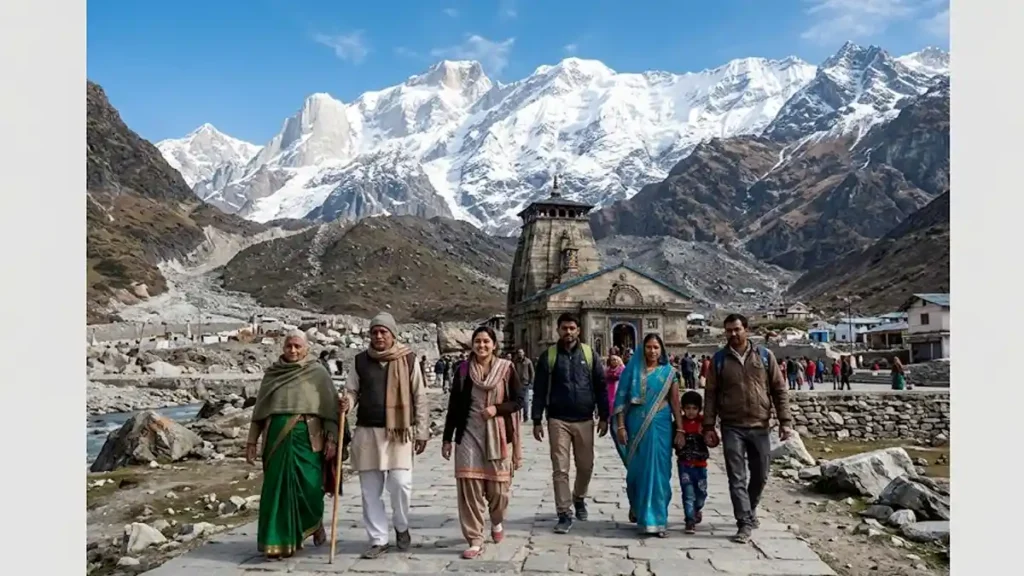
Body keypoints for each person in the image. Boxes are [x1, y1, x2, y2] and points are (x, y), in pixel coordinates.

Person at [338, 312, 429, 559]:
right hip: (367, 432)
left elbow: (419, 396)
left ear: (392, 334)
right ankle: (378, 539)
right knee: (370, 491)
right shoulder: (360, 361)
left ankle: (401, 526)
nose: (378, 336)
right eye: (374, 332)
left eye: (383, 332)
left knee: (401, 484)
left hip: (399, 432)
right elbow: (352, 390)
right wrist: (347, 401)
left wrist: (422, 431)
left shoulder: (408, 359)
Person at [245, 331, 340, 559]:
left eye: (298, 346)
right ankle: (276, 542)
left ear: (306, 348)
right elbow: (259, 412)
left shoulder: (317, 373)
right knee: (276, 491)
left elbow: (330, 409)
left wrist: (332, 438)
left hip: (308, 439)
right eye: (289, 346)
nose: (293, 351)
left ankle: (314, 522)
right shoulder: (273, 374)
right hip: (275, 440)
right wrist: (251, 441)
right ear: (283, 348)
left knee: (310, 488)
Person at [703, 313, 793, 544]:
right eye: (729, 330)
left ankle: (750, 509)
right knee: (737, 477)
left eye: (737, 329)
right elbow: (710, 394)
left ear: (747, 330)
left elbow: (779, 390)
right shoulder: (719, 360)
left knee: (761, 474)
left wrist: (785, 421)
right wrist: (709, 426)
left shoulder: (765, 356)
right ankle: (743, 522)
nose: (733, 334)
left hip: (760, 425)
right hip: (732, 426)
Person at [442, 326, 523, 559]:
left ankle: (496, 521)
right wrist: (448, 438)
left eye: (486, 341)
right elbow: (455, 406)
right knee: (470, 487)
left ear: (494, 345)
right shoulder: (464, 370)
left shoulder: (507, 369)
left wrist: (496, 409)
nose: (482, 345)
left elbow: (518, 401)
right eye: (477, 341)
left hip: (497, 435)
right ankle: (475, 538)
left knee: (499, 490)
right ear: (472, 345)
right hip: (468, 433)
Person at [531, 312, 608, 534]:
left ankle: (579, 497)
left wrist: (604, 415)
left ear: (579, 330)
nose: (568, 332)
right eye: (564, 328)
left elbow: (601, 386)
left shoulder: (589, 354)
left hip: (585, 419)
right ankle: (564, 512)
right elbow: (539, 390)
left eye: (572, 328)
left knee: (586, 466)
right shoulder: (550, 356)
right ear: (558, 330)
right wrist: (537, 419)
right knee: (560, 469)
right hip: (558, 420)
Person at [613, 334, 684, 537]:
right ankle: (639, 508)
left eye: (656, 347)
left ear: (661, 350)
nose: (652, 351)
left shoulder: (669, 373)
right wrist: (620, 427)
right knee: (637, 472)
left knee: (660, 474)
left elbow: (675, 404)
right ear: (642, 349)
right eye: (648, 347)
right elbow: (620, 400)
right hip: (635, 425)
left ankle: (657, 521)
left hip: (661, 426)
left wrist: (680, 429)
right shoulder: (632, 372)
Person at [677, 390, 709, 535]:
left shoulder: (703, 423)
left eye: (694, 408)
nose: (691, 412)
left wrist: (709, 436)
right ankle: (689, 520)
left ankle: (696, 510)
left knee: (701, 494)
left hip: (700, 466)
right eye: (688, 408)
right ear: (683, 409)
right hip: (685, 465)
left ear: (699, 409)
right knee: (688, 493)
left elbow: (713, 440)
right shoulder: (679, 424)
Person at [514, 348, 535, 420]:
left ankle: (525, 416)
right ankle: (518, 416)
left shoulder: (528, 361)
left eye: (521, 352)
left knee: (526, 401)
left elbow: (532, 372)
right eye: (519, 352)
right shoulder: (515, 361)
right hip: (517, 383)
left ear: (524, 353)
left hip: (525, 383)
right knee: (518, 401)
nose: (520, 354)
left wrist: (531, 382)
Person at [604, 354, 624, 424]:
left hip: (618, 388)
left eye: (615, 359)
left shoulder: (622, 369)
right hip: (610, 389)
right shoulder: (607, 369)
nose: (614, 361)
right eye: (612, 359)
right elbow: (605, 378)